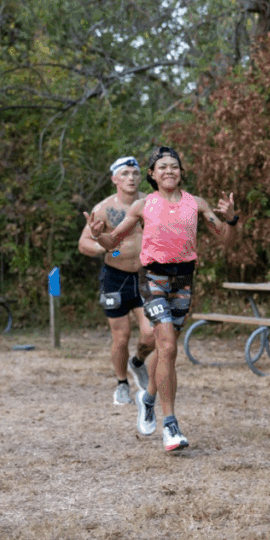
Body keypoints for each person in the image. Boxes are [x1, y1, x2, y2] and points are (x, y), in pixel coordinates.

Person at [86, 146, 238, 452]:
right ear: (152, 175)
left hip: (183, 281)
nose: (169, 171)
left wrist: (232, 220)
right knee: (166, 345)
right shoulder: (143, 206)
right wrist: (97, 234)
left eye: (175, 166)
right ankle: (171, 427)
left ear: (181, 172)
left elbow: (226, 240)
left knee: (167, 353)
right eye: (162, 167)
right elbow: (111, 241)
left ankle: (149, 397)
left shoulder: (196, 204)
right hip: (153, 279)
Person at [77, 156, 155, 405]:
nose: (131, 178)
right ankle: (122, 383)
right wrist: (104, 246)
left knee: (151, 333)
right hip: (115, 278)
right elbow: (84, 243)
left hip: (145, 276)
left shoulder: (151, 203)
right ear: (114, 179)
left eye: (135, 173)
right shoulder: (103, 209)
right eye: (125, 174)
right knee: (121, 337)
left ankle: (138, 362)